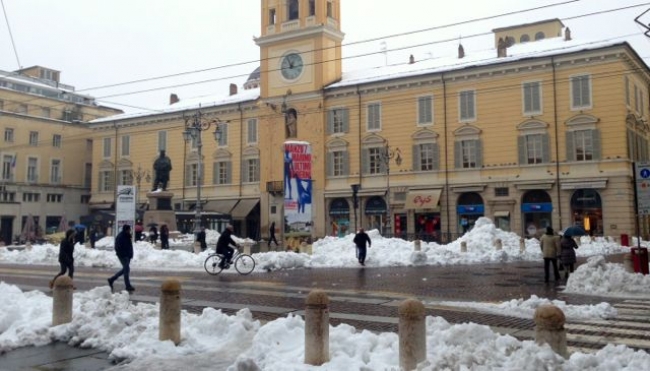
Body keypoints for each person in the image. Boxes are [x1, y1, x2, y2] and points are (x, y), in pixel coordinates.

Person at [108, 224, 135, 293]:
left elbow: (129, 246)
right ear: (126, 229)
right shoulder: (121, 237)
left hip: (127, 255)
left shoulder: (127, 236)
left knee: (125, 270)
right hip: (123, 256)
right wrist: (123, 254)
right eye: (129, 229)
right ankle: (127, 286)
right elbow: (117, 247)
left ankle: (112, 279)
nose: (130, 231)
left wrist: (130, 254)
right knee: (126, 270)